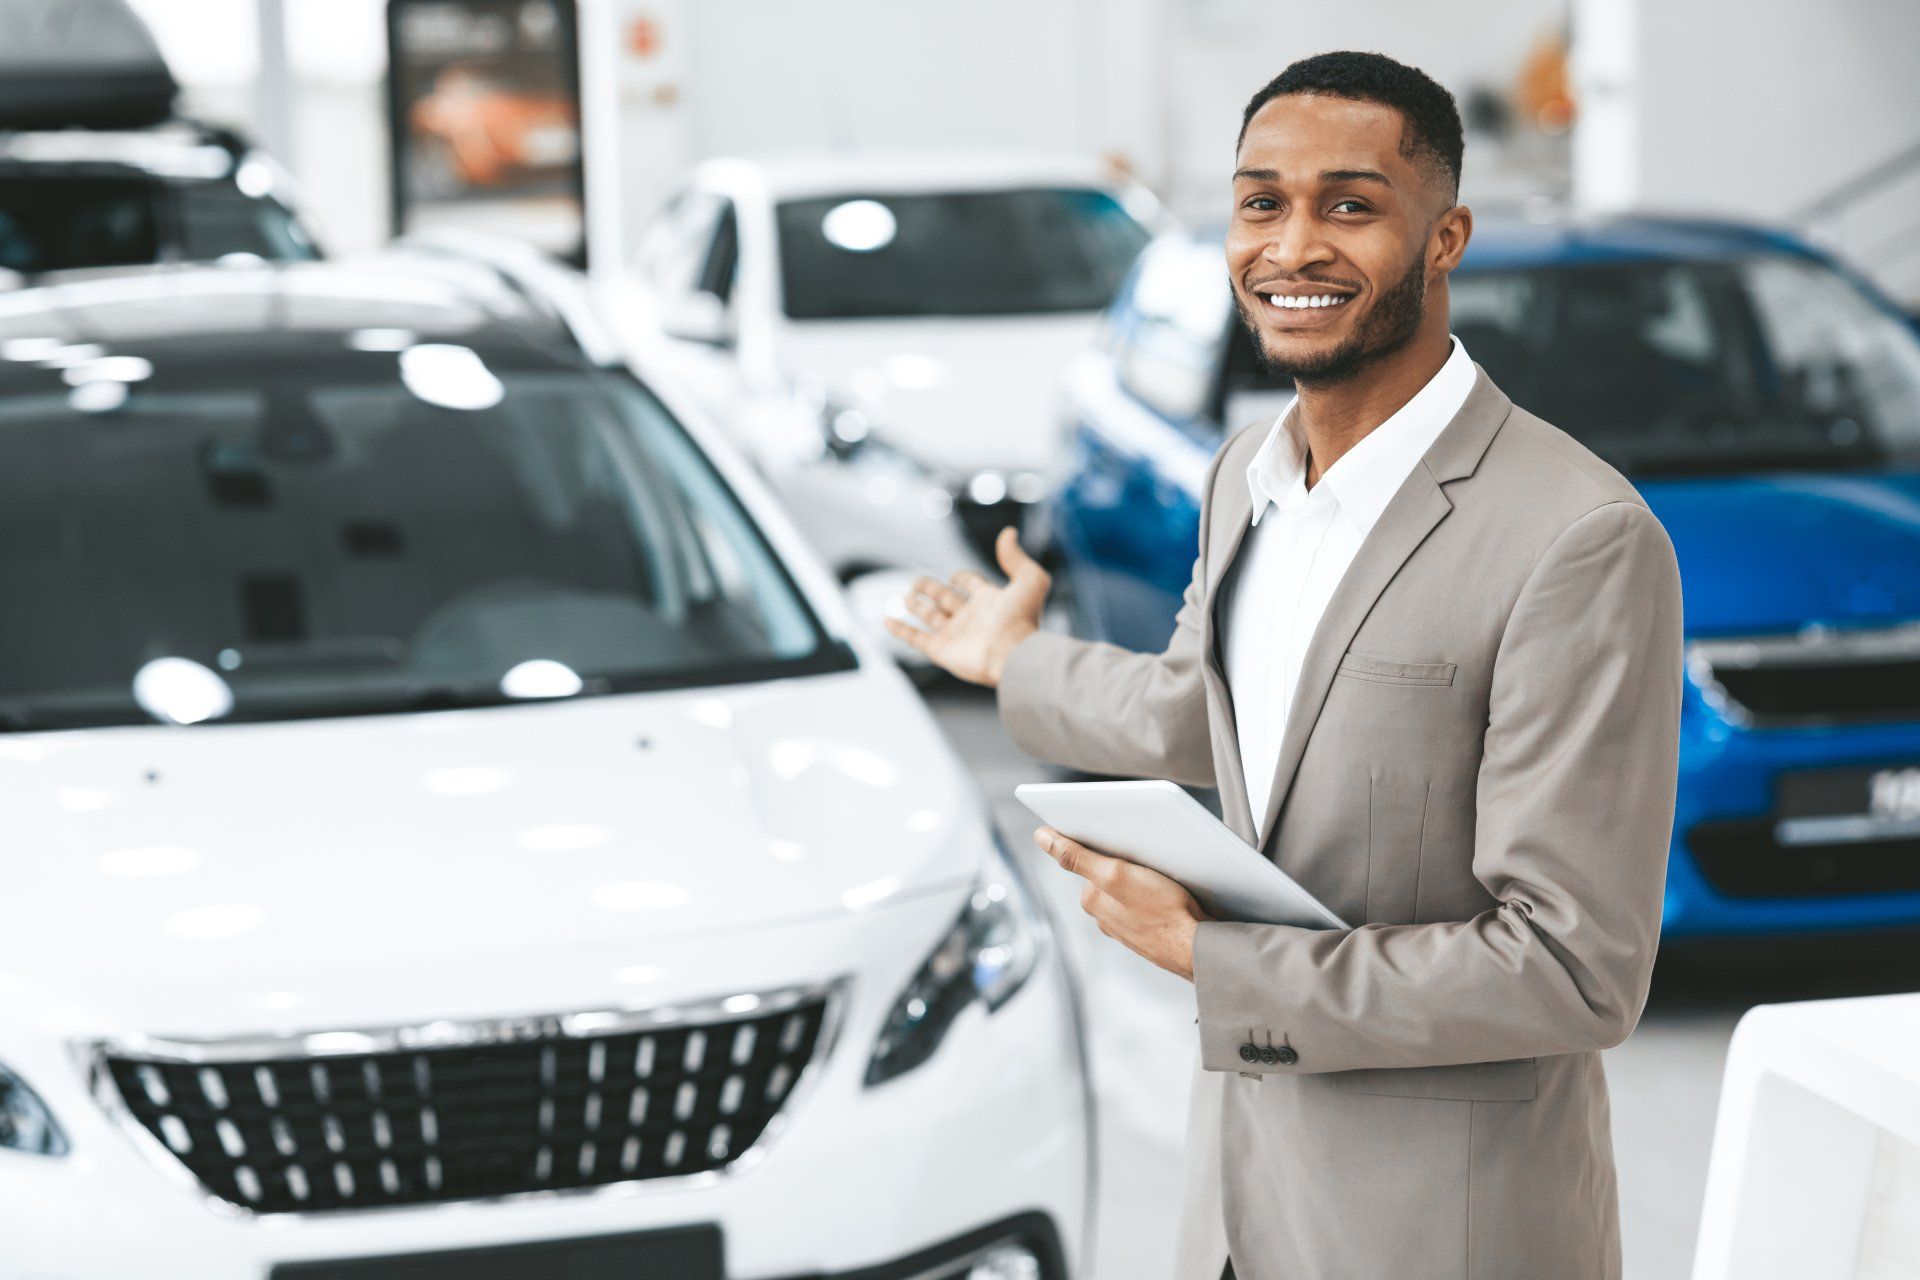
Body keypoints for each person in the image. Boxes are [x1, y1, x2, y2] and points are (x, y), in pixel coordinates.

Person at [889, 51, 1683, 1280]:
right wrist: (1014, 657)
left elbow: (1572, 969)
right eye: (1262, 201)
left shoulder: (1577, 537)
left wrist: (1213, 958)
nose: (1292, 244)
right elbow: (1204, 711)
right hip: (1241, 1205)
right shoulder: (1245, 474)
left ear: (1445, 237)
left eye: (1349, 204)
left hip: (1442, 1231)